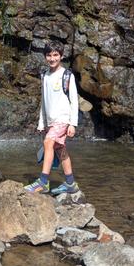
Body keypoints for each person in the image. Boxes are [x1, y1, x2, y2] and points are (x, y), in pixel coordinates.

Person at [25, 41, 80, 195]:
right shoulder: (45, 76)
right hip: (50, 121)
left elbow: (74, 101)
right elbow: (44, 101)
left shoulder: (67, 75)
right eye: (49, 55)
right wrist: (42, 122)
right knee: (61, 150)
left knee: (48, 142)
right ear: (45, 57)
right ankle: (70, 183)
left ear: (61, 56)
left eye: (55, 55)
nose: (52, 58)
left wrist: (72, 124)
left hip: (63, 119)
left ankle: (42, 182)